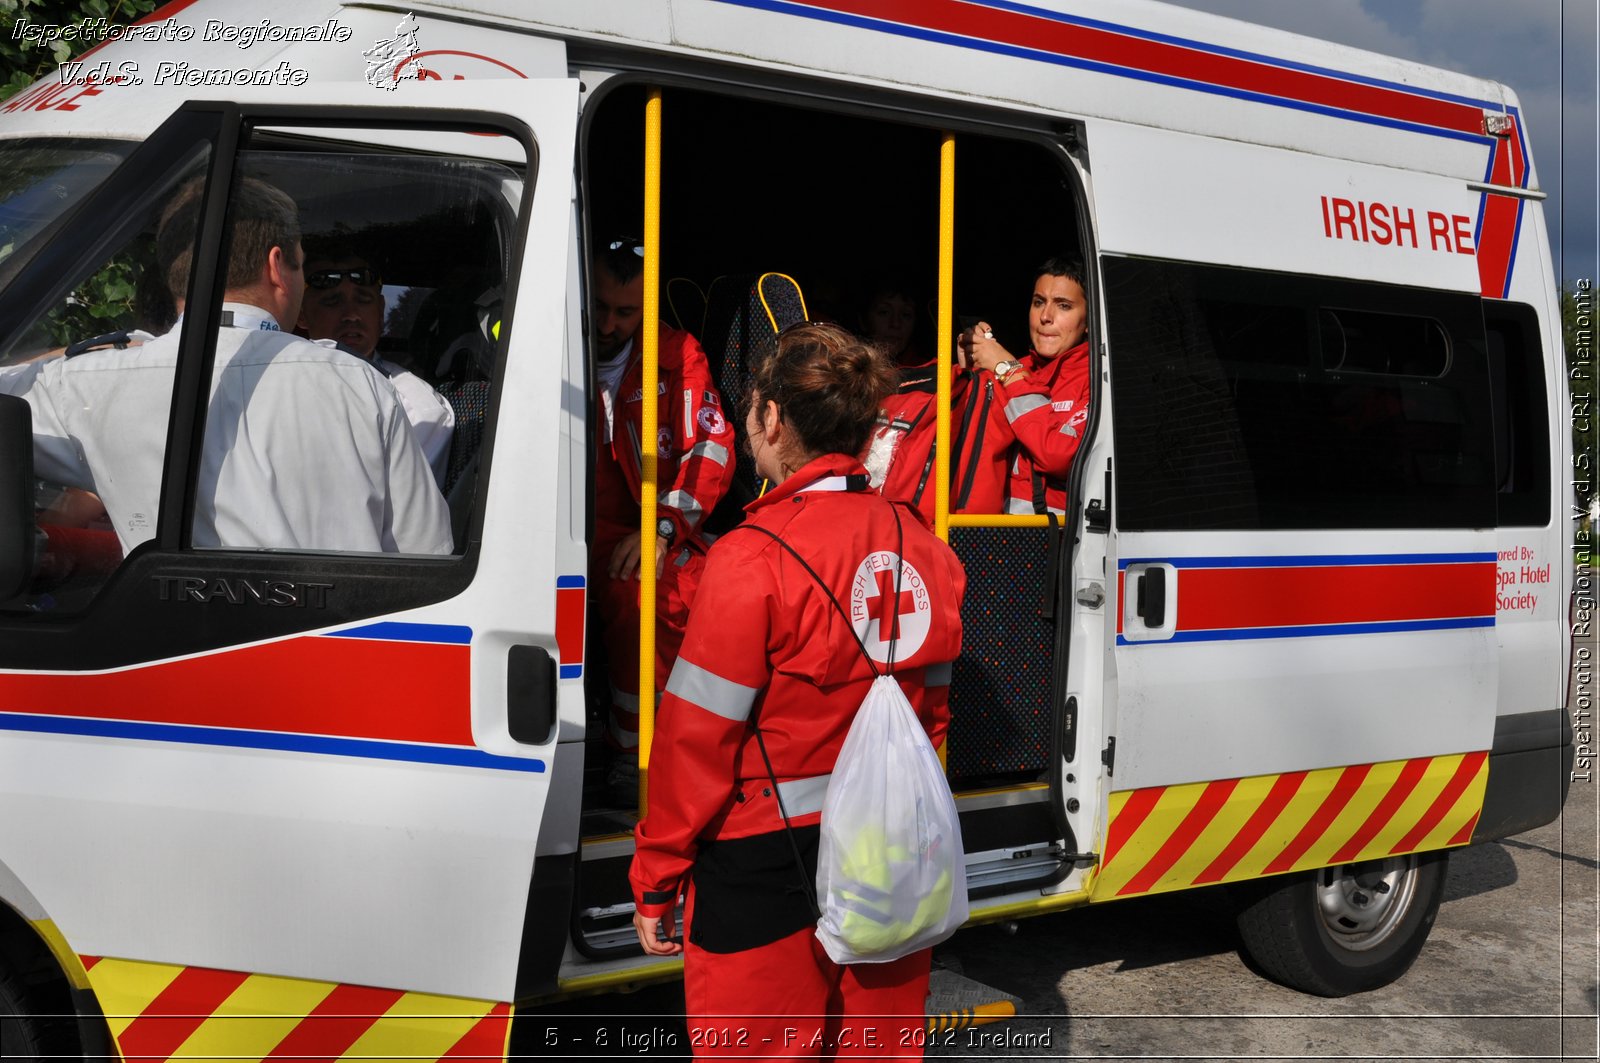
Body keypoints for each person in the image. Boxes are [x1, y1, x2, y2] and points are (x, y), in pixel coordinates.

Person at [630, 323, 966, 1059]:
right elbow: (931, 715)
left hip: (765, 864)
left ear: (773, 419)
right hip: (887, 848)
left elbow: (695, 743)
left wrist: (657, 871)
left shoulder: (748, 558)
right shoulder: (931, 553)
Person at [0, 176, 452, 556]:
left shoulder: (84, 387)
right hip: (336, 650)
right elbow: (425, 554)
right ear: (278, 267)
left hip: (160, 653)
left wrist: (99, 353)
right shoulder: (362, 384)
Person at [590, 236, 736, 767]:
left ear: (648, 309)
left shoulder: (677, 356)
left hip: (636, 521)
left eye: (625, 313)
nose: (608, 326)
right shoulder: (551, 338)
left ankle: (635, 758)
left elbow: (711, 448)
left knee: (647, 597)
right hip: (553, 518)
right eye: (599, 307)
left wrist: (664, 526)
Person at [297, 239, 456, 487]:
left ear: (381, 312)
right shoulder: (271, 388)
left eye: (363, 300)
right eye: (332, 301)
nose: (351, 314)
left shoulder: (416, 409)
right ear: (301, 315)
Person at [954, 255, 1094, 516]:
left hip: (1058, 546)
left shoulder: (1098, 379)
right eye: (1039, 302)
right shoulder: (1015, 367)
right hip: (992, 535)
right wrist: (971, 374)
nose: (1045, 316)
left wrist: (1008, 370)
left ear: (1088, 320)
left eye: (1063, 306)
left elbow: (1059, 456)